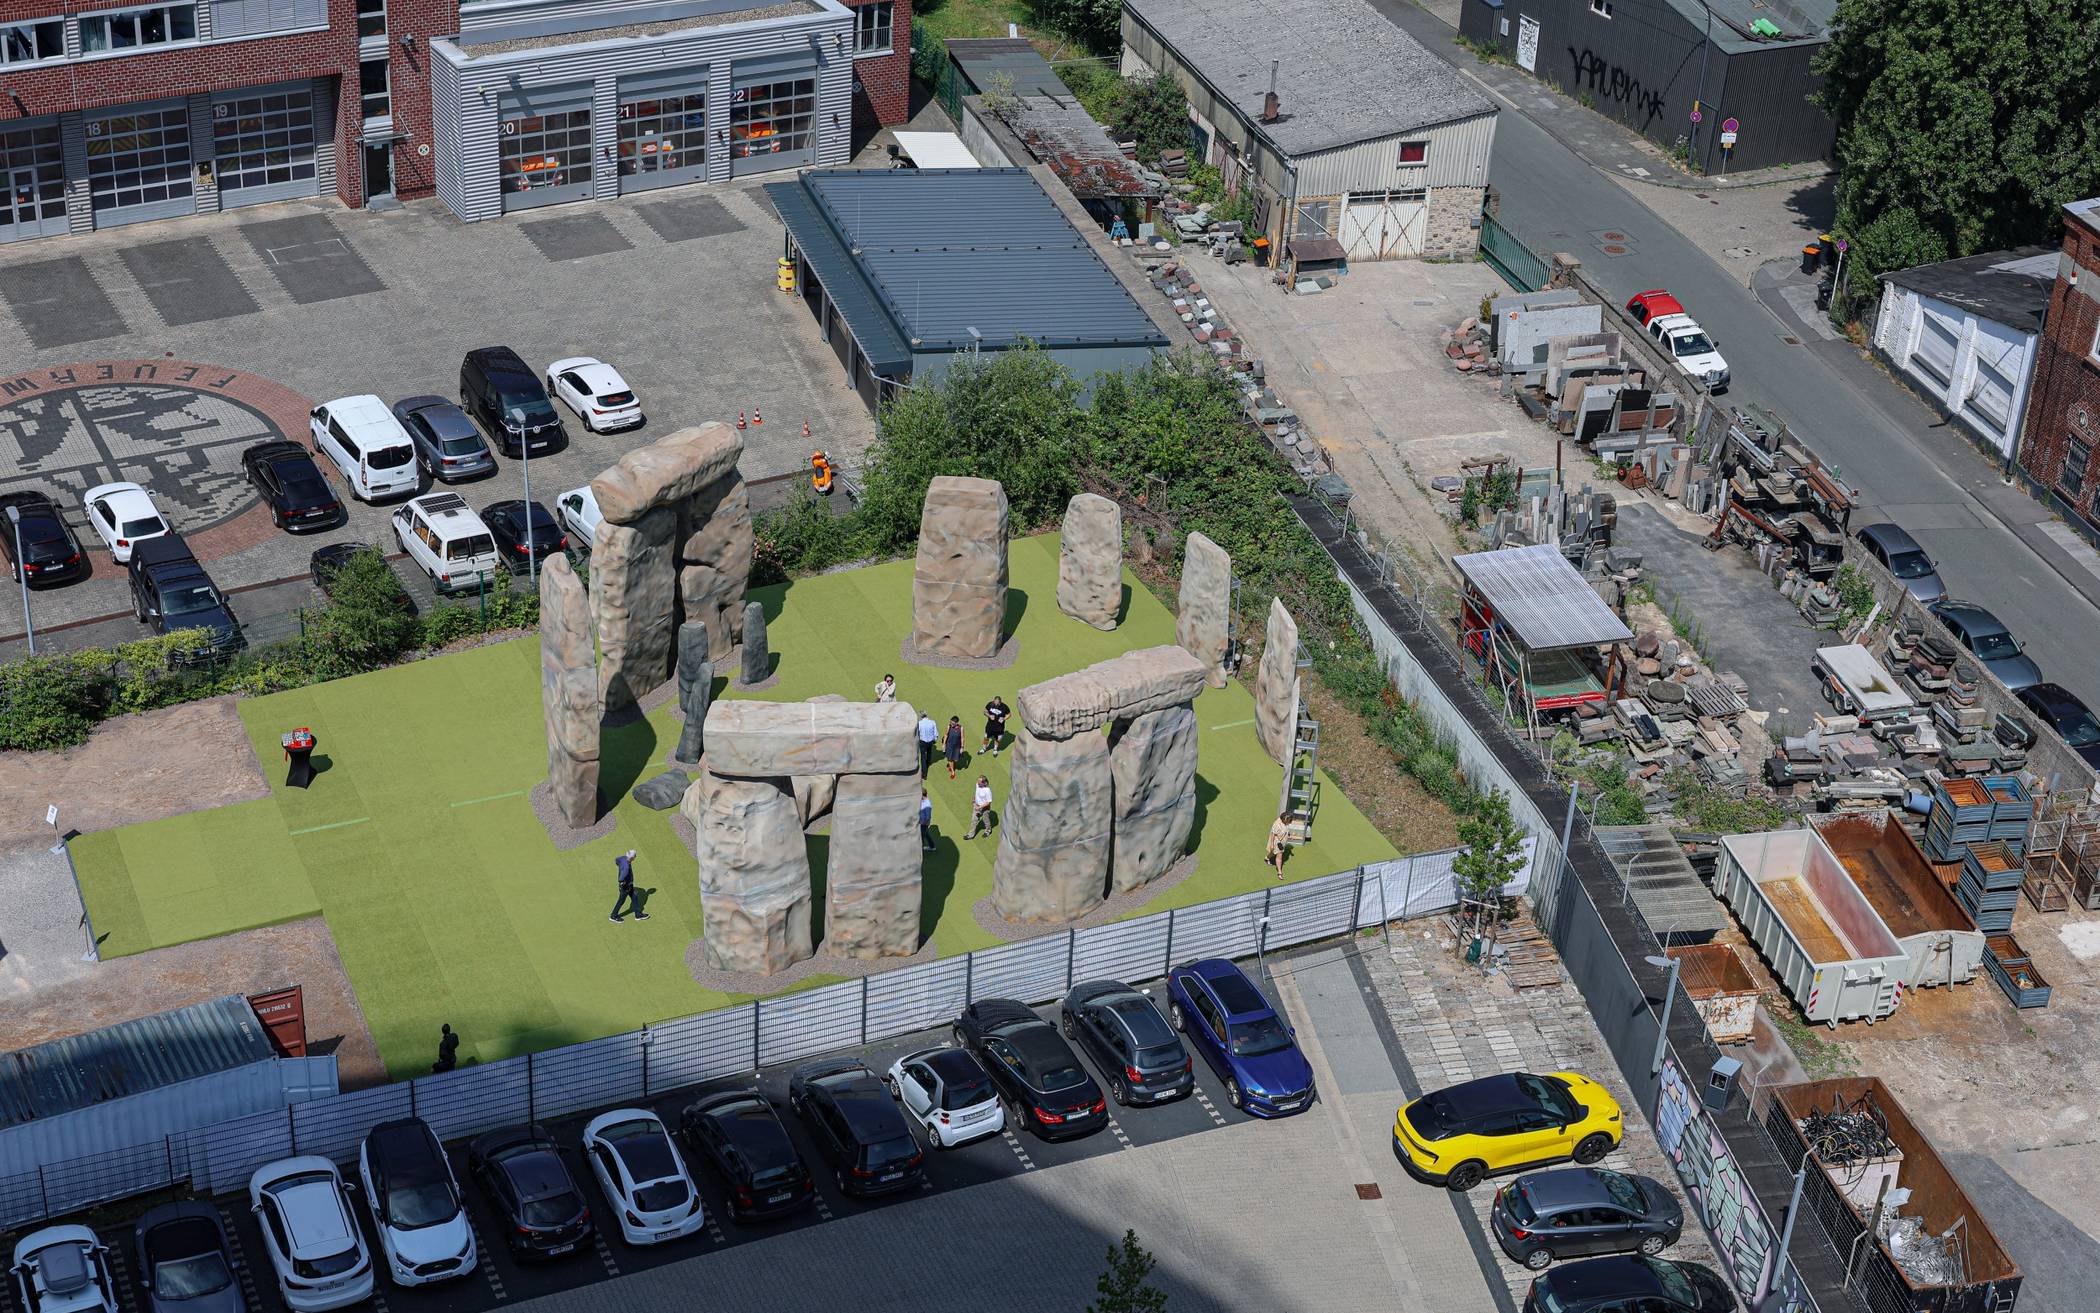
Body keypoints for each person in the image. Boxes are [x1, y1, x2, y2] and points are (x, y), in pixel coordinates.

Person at [610, 848, 648, 921]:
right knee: (621, 901)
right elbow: (621, 878)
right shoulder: (626, 867)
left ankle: (638, 914)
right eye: (635, 856)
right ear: (632, 858)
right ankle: (613, 916)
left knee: (634, 897)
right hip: (626, 886)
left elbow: (616, 860)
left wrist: (620, 867)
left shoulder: (622, 858)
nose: (635, 857)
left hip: (629, 885)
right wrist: (623, 882)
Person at [1266, 811, 1293, 880]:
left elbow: (1286, 829)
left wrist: (1288, 835)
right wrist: (1272, 844)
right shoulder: (1277, 824)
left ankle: (1267, 858)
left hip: (1283, 842)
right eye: (1289, 820)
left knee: (1273, 852)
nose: (1290, 821)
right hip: (1277, 843)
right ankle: (1280, 873)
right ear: (1285, 819)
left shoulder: (1285, 823)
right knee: (1279, 857)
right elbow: (1273, 834)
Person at [916, 712, 939, 777]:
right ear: (927, 716)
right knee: (929, 752)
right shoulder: (932, 722)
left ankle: (924, 773)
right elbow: (936, 733)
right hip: (930, 741)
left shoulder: (919, 723)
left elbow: (917, 733)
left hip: (922, 742)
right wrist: (935, 739)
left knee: (923, 757)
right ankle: (928, 763)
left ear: (921, 717)